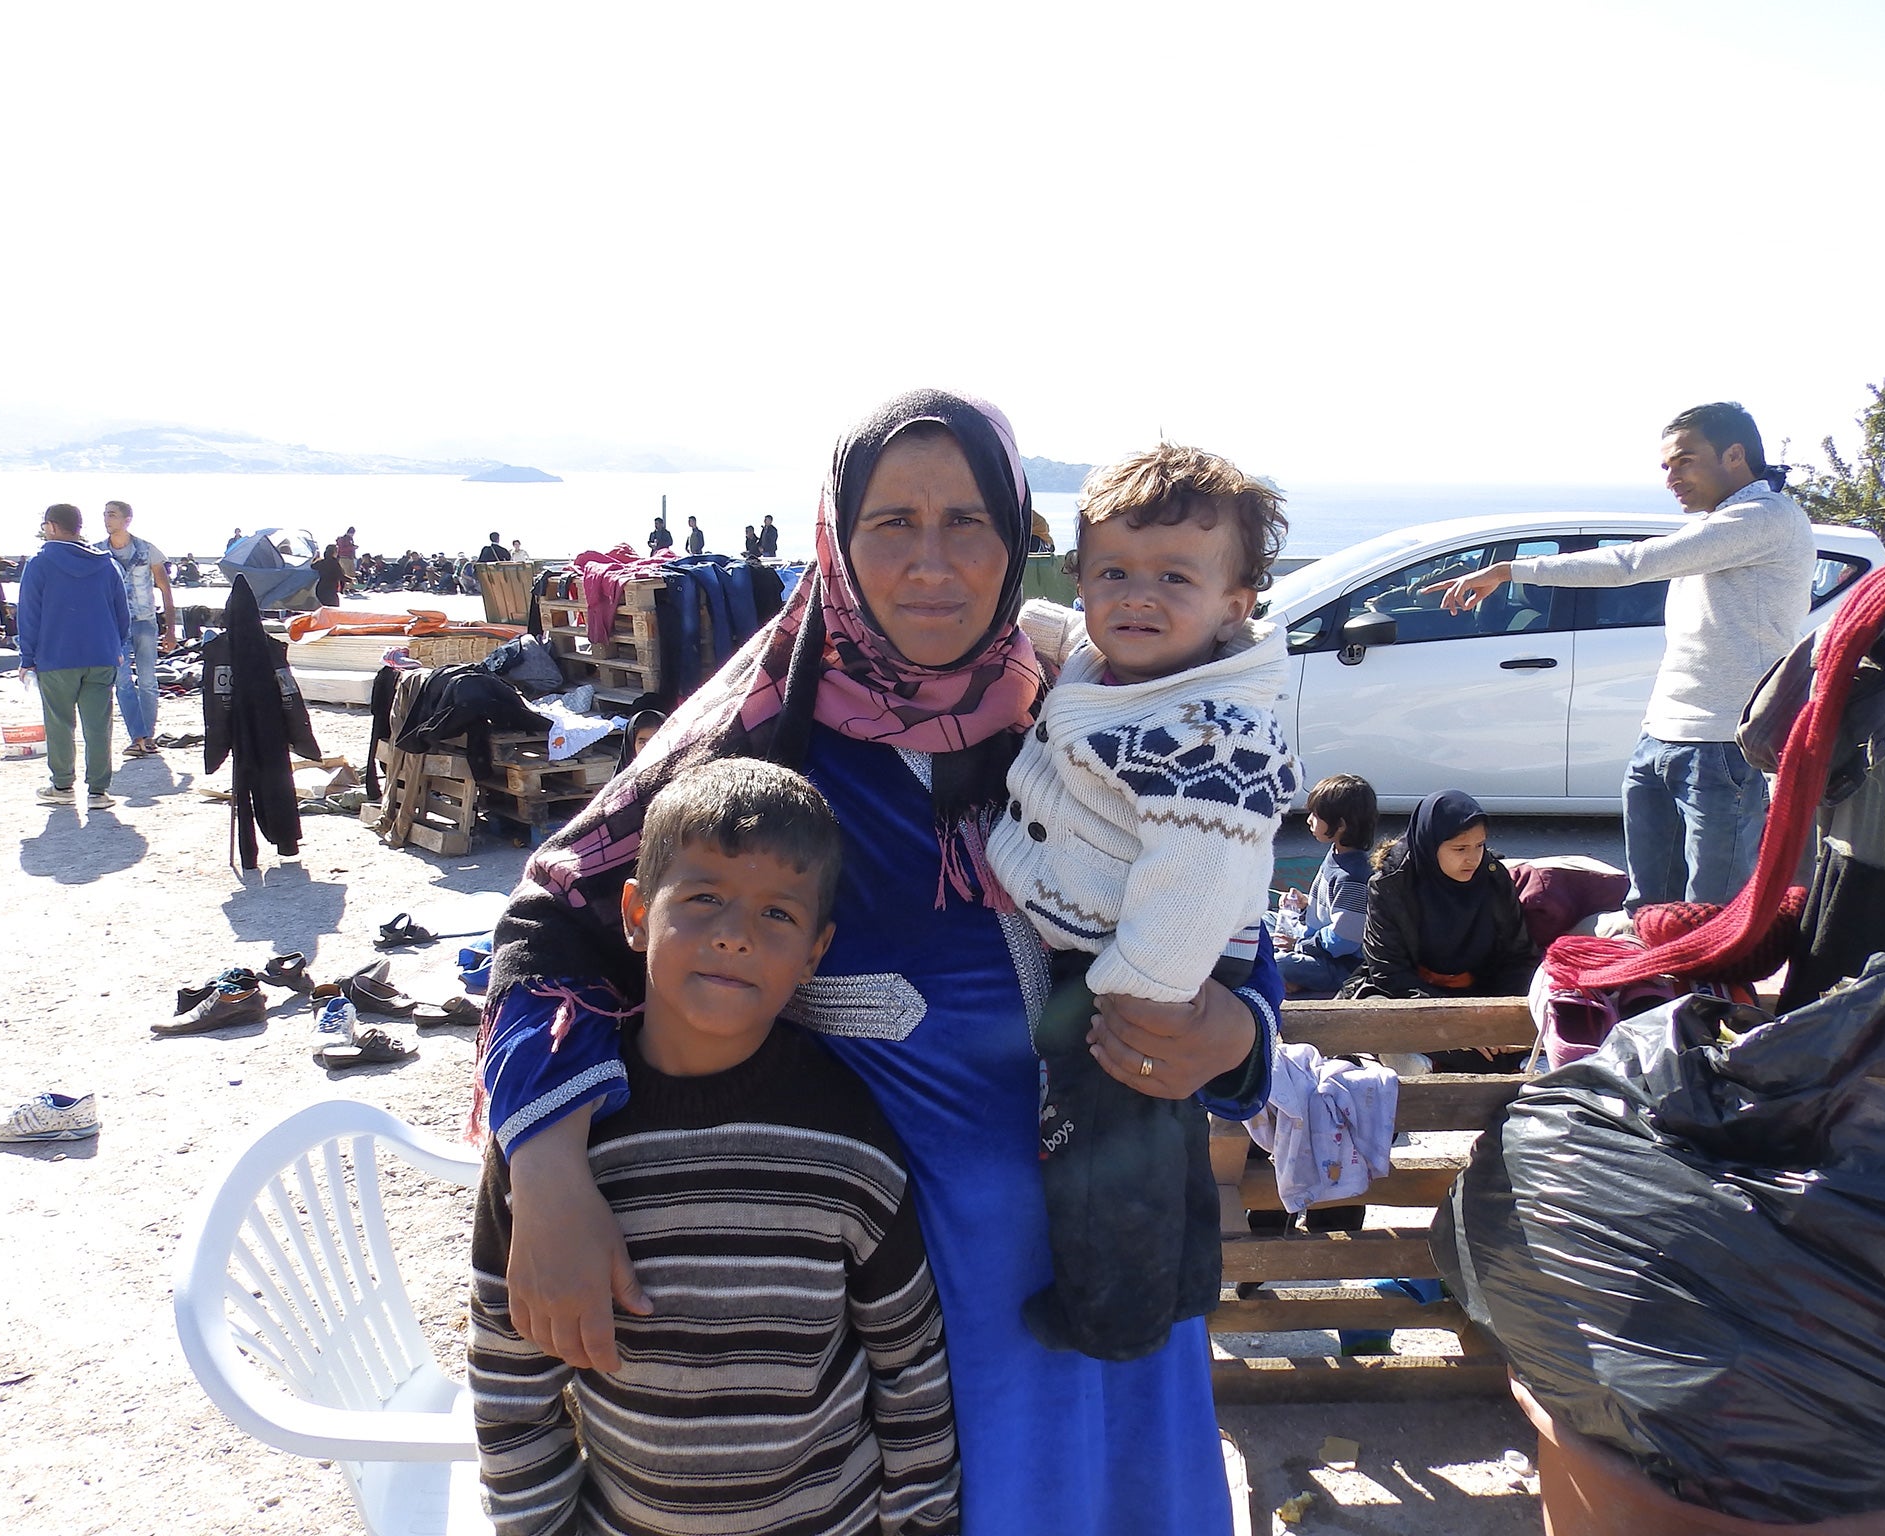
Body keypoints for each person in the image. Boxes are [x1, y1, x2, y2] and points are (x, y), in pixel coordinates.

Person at [474, 390, 1269, 1534]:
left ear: (1019, 542)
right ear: (835, 543)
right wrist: (546, 1176)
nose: (932, 564)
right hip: (899, 1303)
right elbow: (552, 927)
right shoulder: (760, 749)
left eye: (968, 522)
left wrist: (1236, 1039)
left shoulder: (1105, 711)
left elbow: (1228, 921)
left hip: (1120, 1255)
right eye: (891, 523)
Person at [469, 758, 960, 1536]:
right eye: (702, 899)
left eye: (777, 916)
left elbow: (908, 1370)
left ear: (816, 951)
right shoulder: (553, 1142)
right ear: (635, 913)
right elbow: (512, 1389)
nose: (733, 936)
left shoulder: (851, 1140)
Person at [984, 442, 1295, 1360]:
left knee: (1108, 1152)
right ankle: (1187, 1278)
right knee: (1166, 1144)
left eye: (1174, 577)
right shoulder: (1112, 662)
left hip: (1147, 966)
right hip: (1124, 946)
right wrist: (1005, 619)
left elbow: (1196, 892)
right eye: (1111, 572)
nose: (1136, 597)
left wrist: (1135, 1000)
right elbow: (1064, 631)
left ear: (1236, 607)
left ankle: (1114, 1315)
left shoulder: (1214, 735)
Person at [1433, 402, 1814, 908]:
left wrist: (1508, 571)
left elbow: (1634, 562)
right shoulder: (1720, 525)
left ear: (1735, 455)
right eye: (1665, 467)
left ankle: (1710, 988)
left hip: (1722, 740)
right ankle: (1650, 985)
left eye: (1685, 461)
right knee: (1649, 904)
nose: (1671, 478)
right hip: (1662, 733)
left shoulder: (1762, 518)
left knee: (1707, 907)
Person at [1342, 788, 1535, 1015]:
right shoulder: (1391, 884)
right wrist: (1453, 1019)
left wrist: (1496, 1017)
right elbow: (1388, 970)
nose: (1473, 858)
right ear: (1430, 846)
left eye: (1480, 845)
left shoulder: (1493, 878)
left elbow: (1519, 957)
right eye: (1460, 848)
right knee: (1375, 1018)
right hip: (1412, 997)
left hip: (1483, 996)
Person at [19, 504, 130, 809]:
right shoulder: (106, 564)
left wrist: (26, 658)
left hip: (56, 656)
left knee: (59, 723)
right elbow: (123, 612)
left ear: (52, 526)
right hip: (101, 654)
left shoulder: (40, 563)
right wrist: (116, 647)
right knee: (98, 724)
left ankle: (63, 785)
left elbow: (29, 614)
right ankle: (98, 791)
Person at [1273, 773, 1378, 999]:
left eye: (1316, 815)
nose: (1309, 820)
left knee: (1278, 962)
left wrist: (1299, 945)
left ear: (1340, 825)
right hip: (1313, 937)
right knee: (1263, 921)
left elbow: (1344, 940)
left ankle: (1305, 985)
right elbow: (1331, 909)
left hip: (1337, 965)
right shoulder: (1337, 854)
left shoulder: (1353, 877)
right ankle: (1296, 979)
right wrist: (1305, 904)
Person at [97, 500, 175, 759]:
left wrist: (171, 630)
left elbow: (165, 589)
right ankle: (138, 737)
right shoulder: (98, 553)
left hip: (144, 621)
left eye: (113, 515)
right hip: (113, 625)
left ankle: (147, 736)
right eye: (105, 515)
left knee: (148, 680)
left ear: (127, 519)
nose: (107, 520)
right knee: (122, 682)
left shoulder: (146, 549)